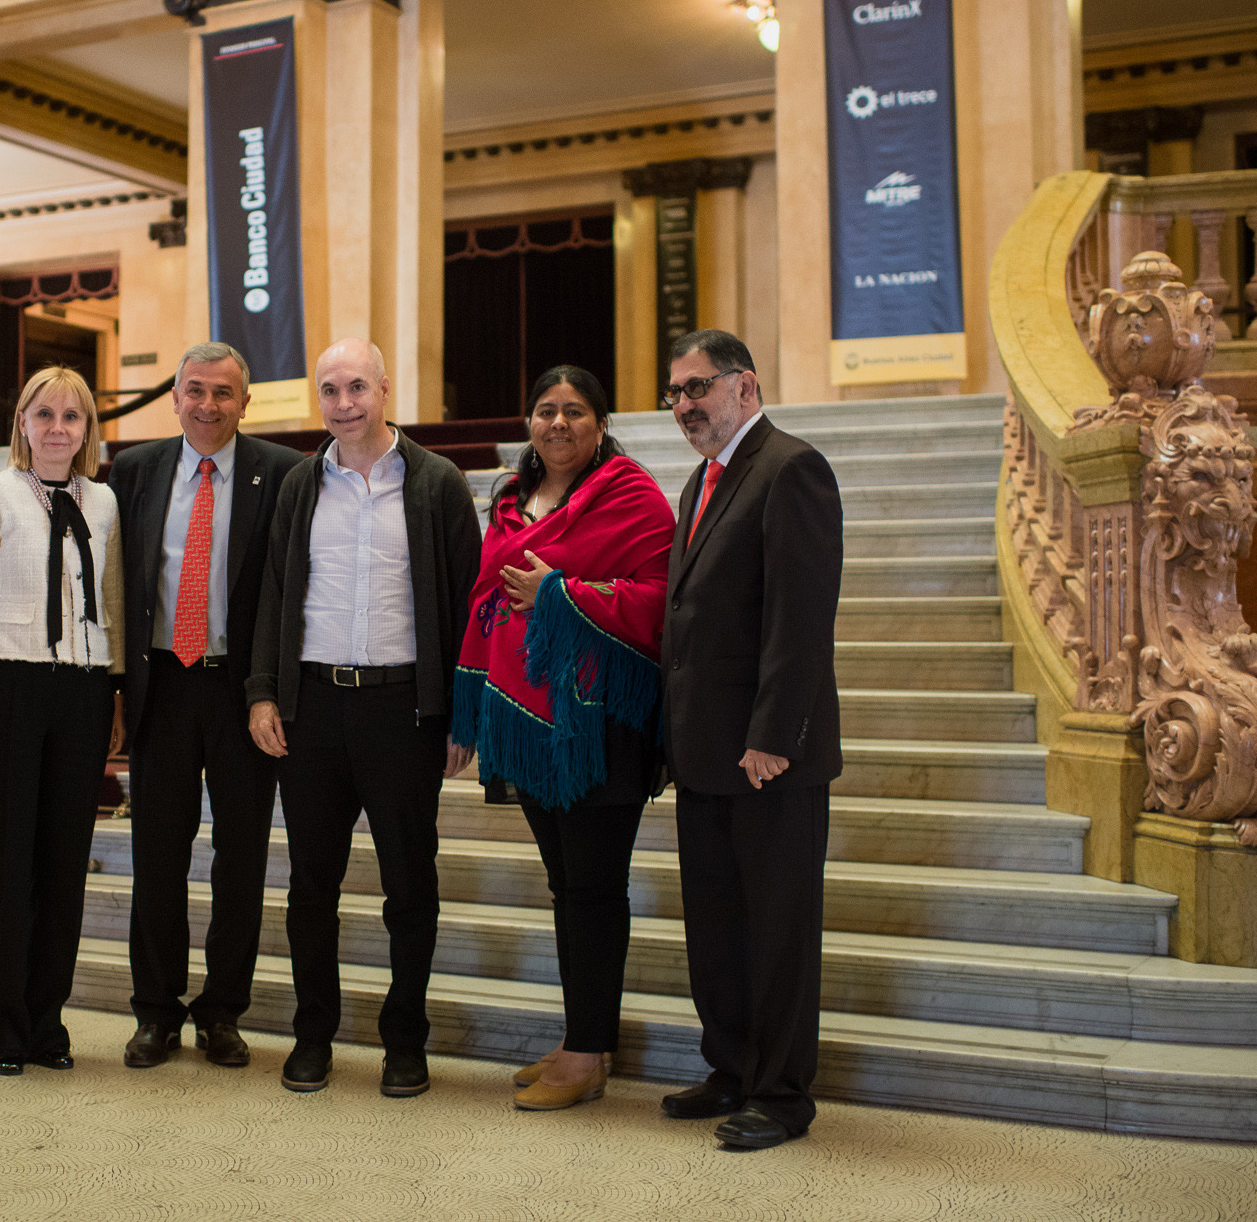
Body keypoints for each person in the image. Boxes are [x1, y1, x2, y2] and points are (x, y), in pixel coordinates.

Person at [246, 338, 481, 1098]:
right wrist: (262, 692)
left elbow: (468, 606)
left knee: (410, 884)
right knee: (311, 884)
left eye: (356, 386)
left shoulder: (438, 483)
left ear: (385, 388)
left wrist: (461, 712)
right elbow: (275, 595)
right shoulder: (298, 485)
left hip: (402, 709)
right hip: (312, 708)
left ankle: (404, 1042)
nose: (343, 402)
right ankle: (313, 1034)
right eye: (329, 389)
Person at [451, 365, 674, 1112]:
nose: (558, 423)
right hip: (524, 716)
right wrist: (468, 707)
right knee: (565, 885)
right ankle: (585, 1035)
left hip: (601, 724)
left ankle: (585, 1055)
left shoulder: (632, 496)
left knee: (594, 887)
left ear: (601, 424)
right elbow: (484, 600)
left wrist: (562, 592)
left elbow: (662, 600)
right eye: (545, 410)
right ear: (529, 423)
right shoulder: (511, 500)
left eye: (575, 411)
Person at [657, 328, 843, 1150]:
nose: (684, 405)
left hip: (768, 760)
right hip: (703, 757)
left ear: (746, 385)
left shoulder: (789, 467)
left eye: (697, 387)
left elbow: (800, 620)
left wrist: (774, 734)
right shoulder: (703, 479)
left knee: (776, 933)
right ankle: (730, 1069)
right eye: (675, 392)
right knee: (718, 928)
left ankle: (780, 1093)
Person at [109, 343, 302, 1071]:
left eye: (224, 392)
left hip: (241, 690)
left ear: (244, 403)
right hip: (161, 685)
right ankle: (154, 1011)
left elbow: (287, 594)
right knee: (156, 855)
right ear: (175, 395)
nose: (208, 404)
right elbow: (118, 589)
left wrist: (271, 690)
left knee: (241, 858)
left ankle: (222, 1010)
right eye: (195, 390)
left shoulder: (281, 472)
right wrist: (118, 690)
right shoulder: (135, 471)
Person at [0, 364, 124, 1077]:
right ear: (22, 422)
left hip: (80, 694)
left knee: (61, 868)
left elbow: (106, 605)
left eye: (71, 417)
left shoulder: (103, 502)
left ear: (87, 430)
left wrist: (111, 694)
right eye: (44, 415)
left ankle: (46, 1025)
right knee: (4, 864)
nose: (57, 428)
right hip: (8, 689)